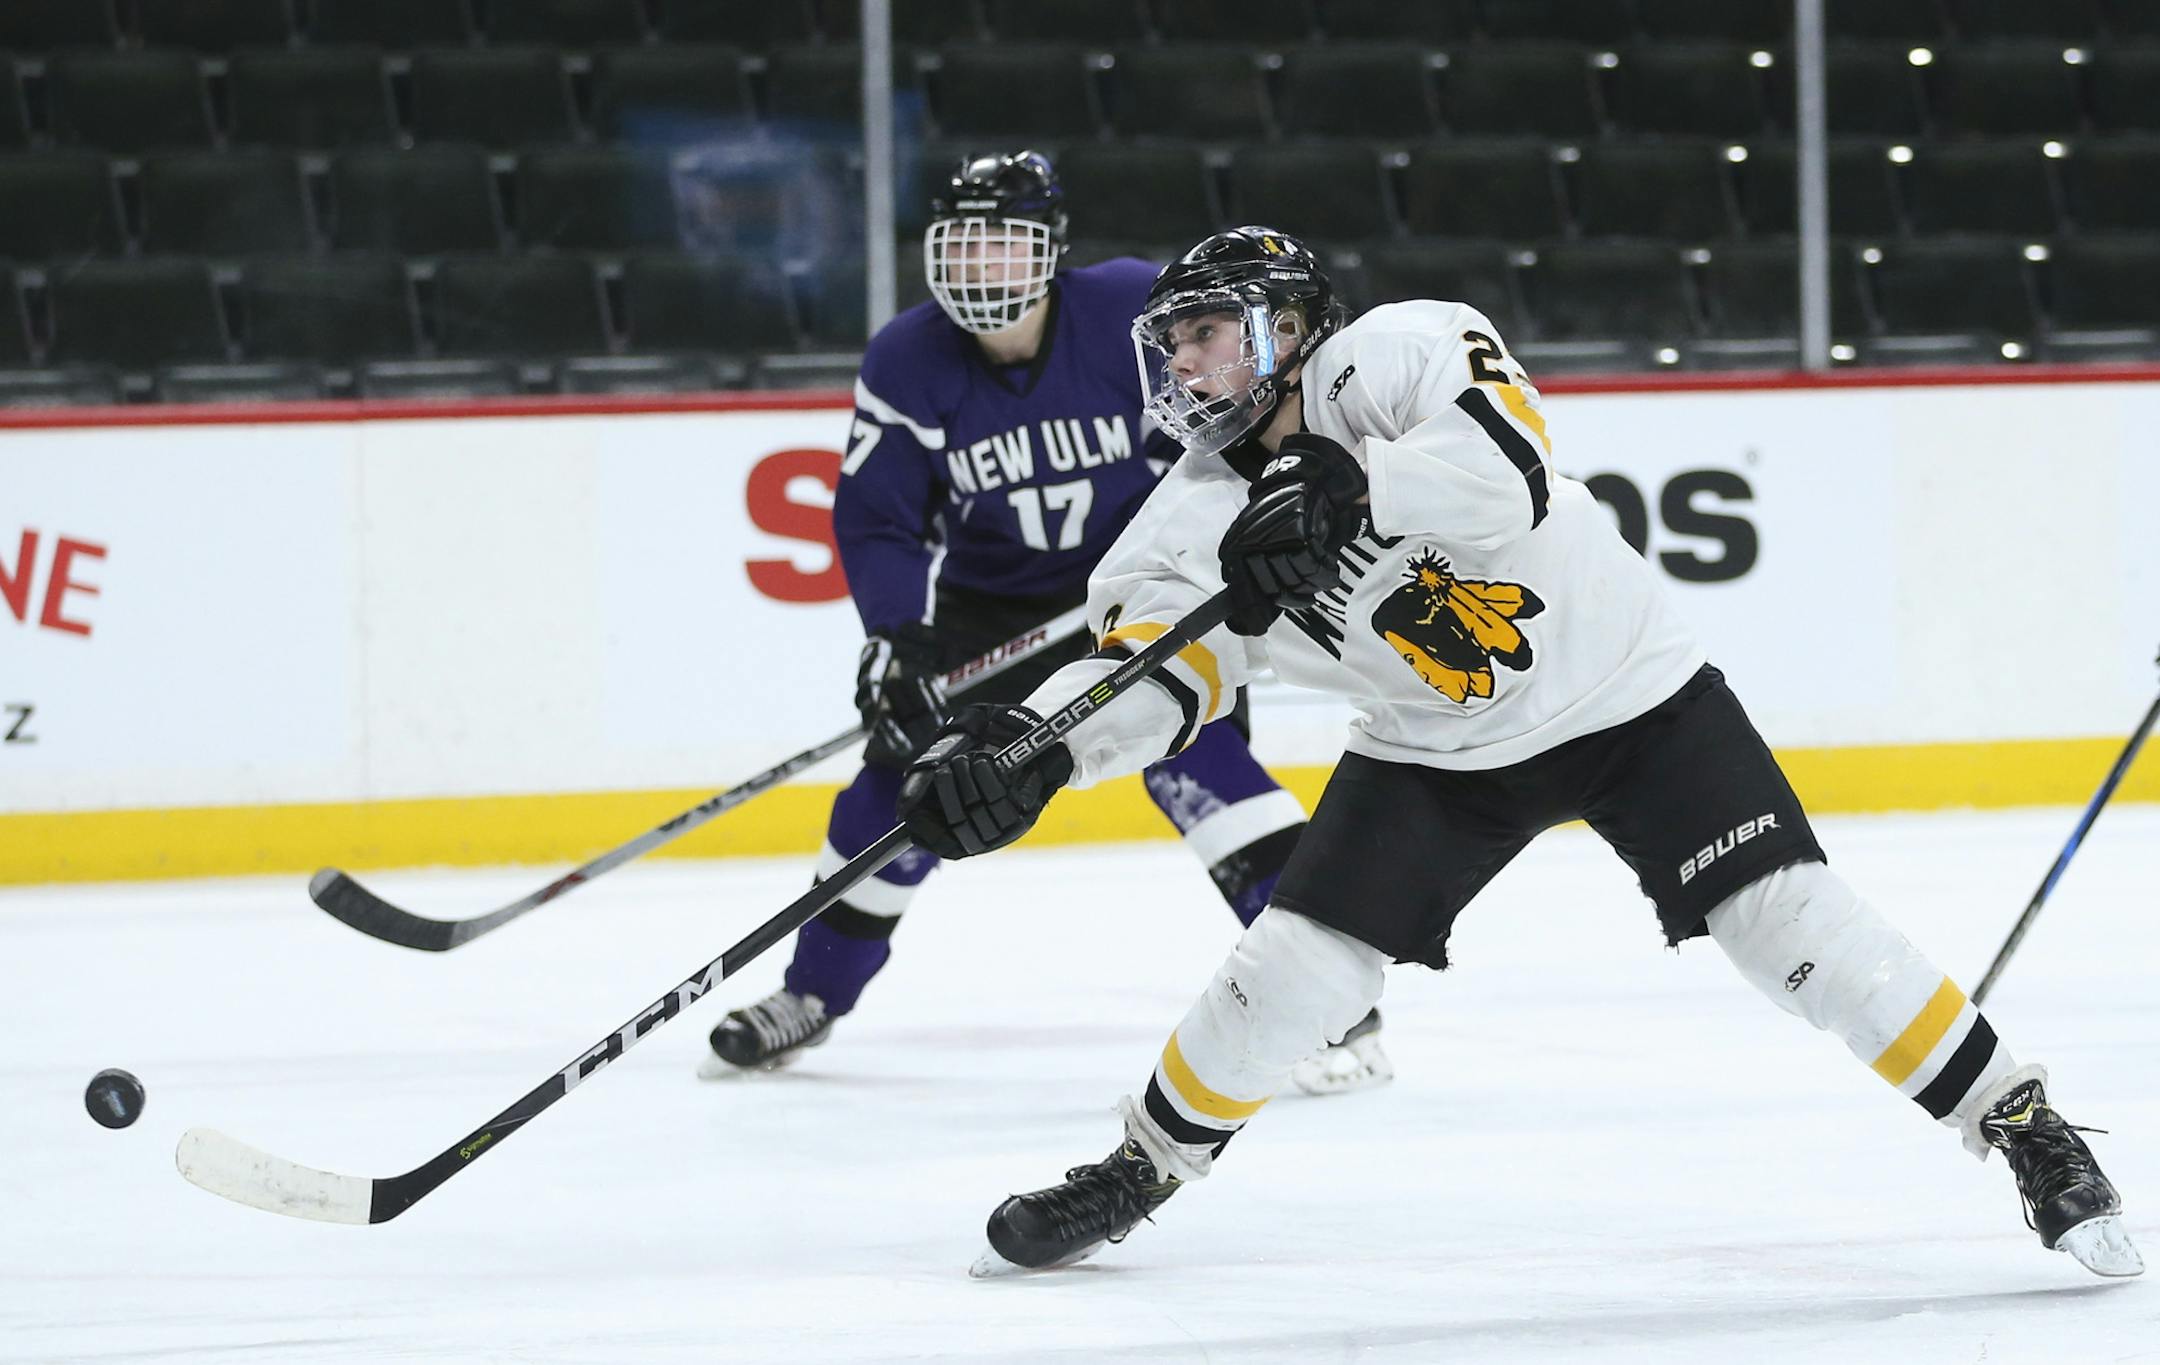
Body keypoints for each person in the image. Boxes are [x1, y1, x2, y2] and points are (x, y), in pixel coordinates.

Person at [889, 226, 2142, 1280]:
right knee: (1296, 972)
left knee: (1793, 927)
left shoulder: (1396, 353)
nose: (1182, 361)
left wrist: (1344, 482)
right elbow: (1170, 672)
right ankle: (1138, 1170)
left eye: (1206, 332)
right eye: (1169, 343)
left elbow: (1511, 472)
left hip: (1631, 697)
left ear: (1285, 323)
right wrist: (1035, 749)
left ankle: (2022, 1123)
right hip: (1435, 753)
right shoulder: (1187, 519)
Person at [701, 160, 1389, 1096]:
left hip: (1150, 589)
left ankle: (1335, 1006)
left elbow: (1226, 420)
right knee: (907, 783)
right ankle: (813, 993)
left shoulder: (1127, 309)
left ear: (1052, 250)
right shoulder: (908, 358)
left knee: (1206, 769)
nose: (984, 266)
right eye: (964, 242)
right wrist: (898, 635)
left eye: (1005, 240)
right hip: (999, 609)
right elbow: (879, 516)